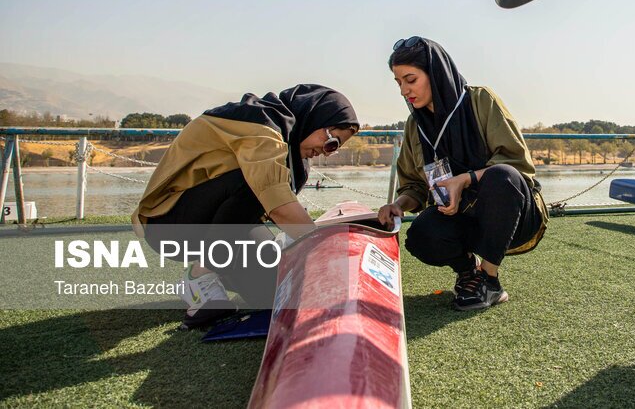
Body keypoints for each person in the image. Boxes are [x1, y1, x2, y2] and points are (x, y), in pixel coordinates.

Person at [132, 84, 359, 327]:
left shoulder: (291, 149)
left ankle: (224, 274)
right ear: (316, 118)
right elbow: (280, 207)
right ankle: (200, 276)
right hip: (170, 225)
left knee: (271, 293)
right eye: (332, 143)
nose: (326, 152)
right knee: (251, 183)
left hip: (221, 225)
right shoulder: (263, 125)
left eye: (334, 150)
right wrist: (327, 255)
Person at [377, 37, 547, 311]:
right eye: (398, 83)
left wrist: (465, 179)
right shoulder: (414, 125)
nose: (404, 91)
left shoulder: (480, 100)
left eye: (411, 80)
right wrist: (398, 205)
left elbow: (518, 168)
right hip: (462, 219)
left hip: (512, 216)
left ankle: (489, 280)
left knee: (502, 176)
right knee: (420, 235)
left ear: (435, 74)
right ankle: (468, 272)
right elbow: (414, 187)